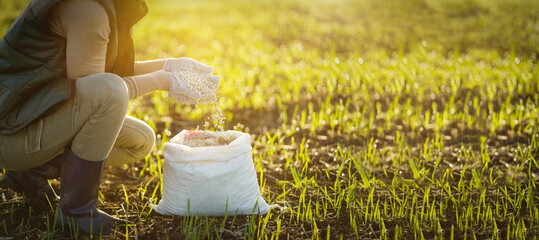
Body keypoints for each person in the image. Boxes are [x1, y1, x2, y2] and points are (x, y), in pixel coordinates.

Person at [0, 0, 219, 235]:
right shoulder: (87, 10)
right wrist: (162, 80)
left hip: (31, 115)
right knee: (109, 92)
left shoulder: (106, 6)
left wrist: (171, 66)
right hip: (10, 132)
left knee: (141, 139)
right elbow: (102, 91)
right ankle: (77, 213)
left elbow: (106, 71)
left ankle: (31, 173)